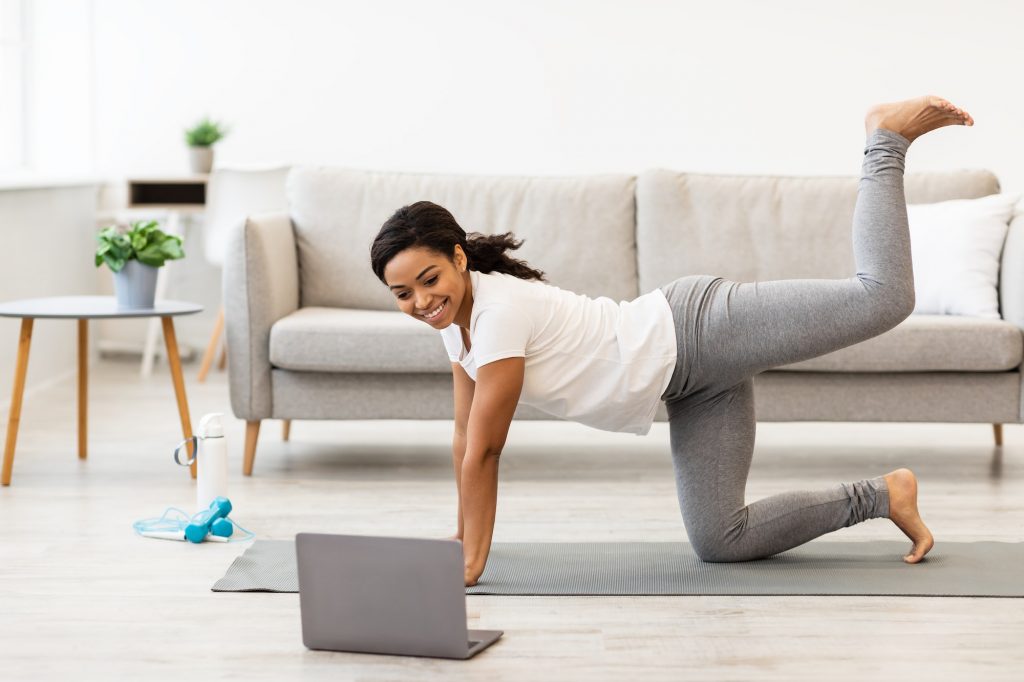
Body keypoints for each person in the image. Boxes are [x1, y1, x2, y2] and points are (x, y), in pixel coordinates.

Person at [370, 96, 973, 587]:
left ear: (458, 259)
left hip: (701, 329)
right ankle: (883, 495)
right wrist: (460, 536)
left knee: (883, 297)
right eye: (403, 294)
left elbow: (485, 450)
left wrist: (472, 562)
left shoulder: (497, 312)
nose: (421, 301)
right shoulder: (458, 326)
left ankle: (885, 140)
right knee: (721, 539)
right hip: (689, 386)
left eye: (429, 280)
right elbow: (462, 435)